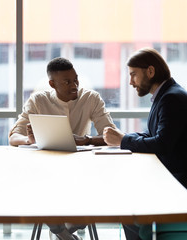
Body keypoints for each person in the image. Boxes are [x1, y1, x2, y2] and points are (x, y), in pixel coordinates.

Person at [103, 47, 187, 240]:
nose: (130, 82)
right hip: (177, 175)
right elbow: (153, 134)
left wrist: (123, 140)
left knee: (127, 202)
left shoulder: (171, 99)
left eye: (133, 75)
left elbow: (161, 143)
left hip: (185, 182)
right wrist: (123, 137)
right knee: (127, 194)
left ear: (150, 72)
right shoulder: (167, 95)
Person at [9, 57, 116, 240]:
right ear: (52, 83)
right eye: (67, 82)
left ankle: (60, 230)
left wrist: (86, 139)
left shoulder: (90, 98)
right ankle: (62, 232)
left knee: (92, 198)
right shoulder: (38, 101)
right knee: (43, 190)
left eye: (75, 79)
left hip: (82, 170)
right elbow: (13, 137)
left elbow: (111, 135)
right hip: (46, 172)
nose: (74, 85)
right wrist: (29, 140)